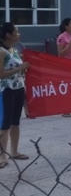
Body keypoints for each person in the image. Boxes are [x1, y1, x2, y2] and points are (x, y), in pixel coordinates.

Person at [0, 23, 30, 168]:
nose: (19, 34)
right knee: (5, 123)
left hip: (18, 88)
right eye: (16, 32)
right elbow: (1, 74)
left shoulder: (14, 49)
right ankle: (2, 156)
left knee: (15, 122)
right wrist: (20, 68)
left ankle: (14, 151)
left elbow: (19, 69)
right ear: (8, 35)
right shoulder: (1, 51)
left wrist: (23, 69)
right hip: (6, 90)